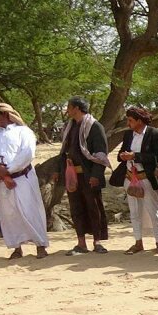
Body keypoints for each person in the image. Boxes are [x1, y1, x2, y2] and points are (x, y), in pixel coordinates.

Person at [0, 103, 48, 259]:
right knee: (8, 213)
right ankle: (16, 247)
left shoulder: (24, 132)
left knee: (30, 211)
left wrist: (9, 170)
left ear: (4, 114)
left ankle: (40, 245)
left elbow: (27, 153)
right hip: (0, 181)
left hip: (22, 179)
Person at [57, 97, 110, 255]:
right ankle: (81, 243)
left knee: (94, 208)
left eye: (69, 107)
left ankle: (97, 242)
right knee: (76, 208)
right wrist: (58, 171)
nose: (67, 110)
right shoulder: (70, 126)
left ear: (76, 108)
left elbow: (100, 154)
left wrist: (96, 175)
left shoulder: (94, 126)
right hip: (73, 176)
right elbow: (64, 151)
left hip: (89, 176)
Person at [112, 106, 158, 254]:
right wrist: (123, 156)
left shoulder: (154, 134)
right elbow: (121, 153)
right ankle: (138, 242)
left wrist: (135, 156)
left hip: (146, 177)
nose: (128, 123)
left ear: (139, 121)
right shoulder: (128, 135)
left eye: (130, 120)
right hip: (130, 177)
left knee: (153, 211)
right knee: (134, 212)